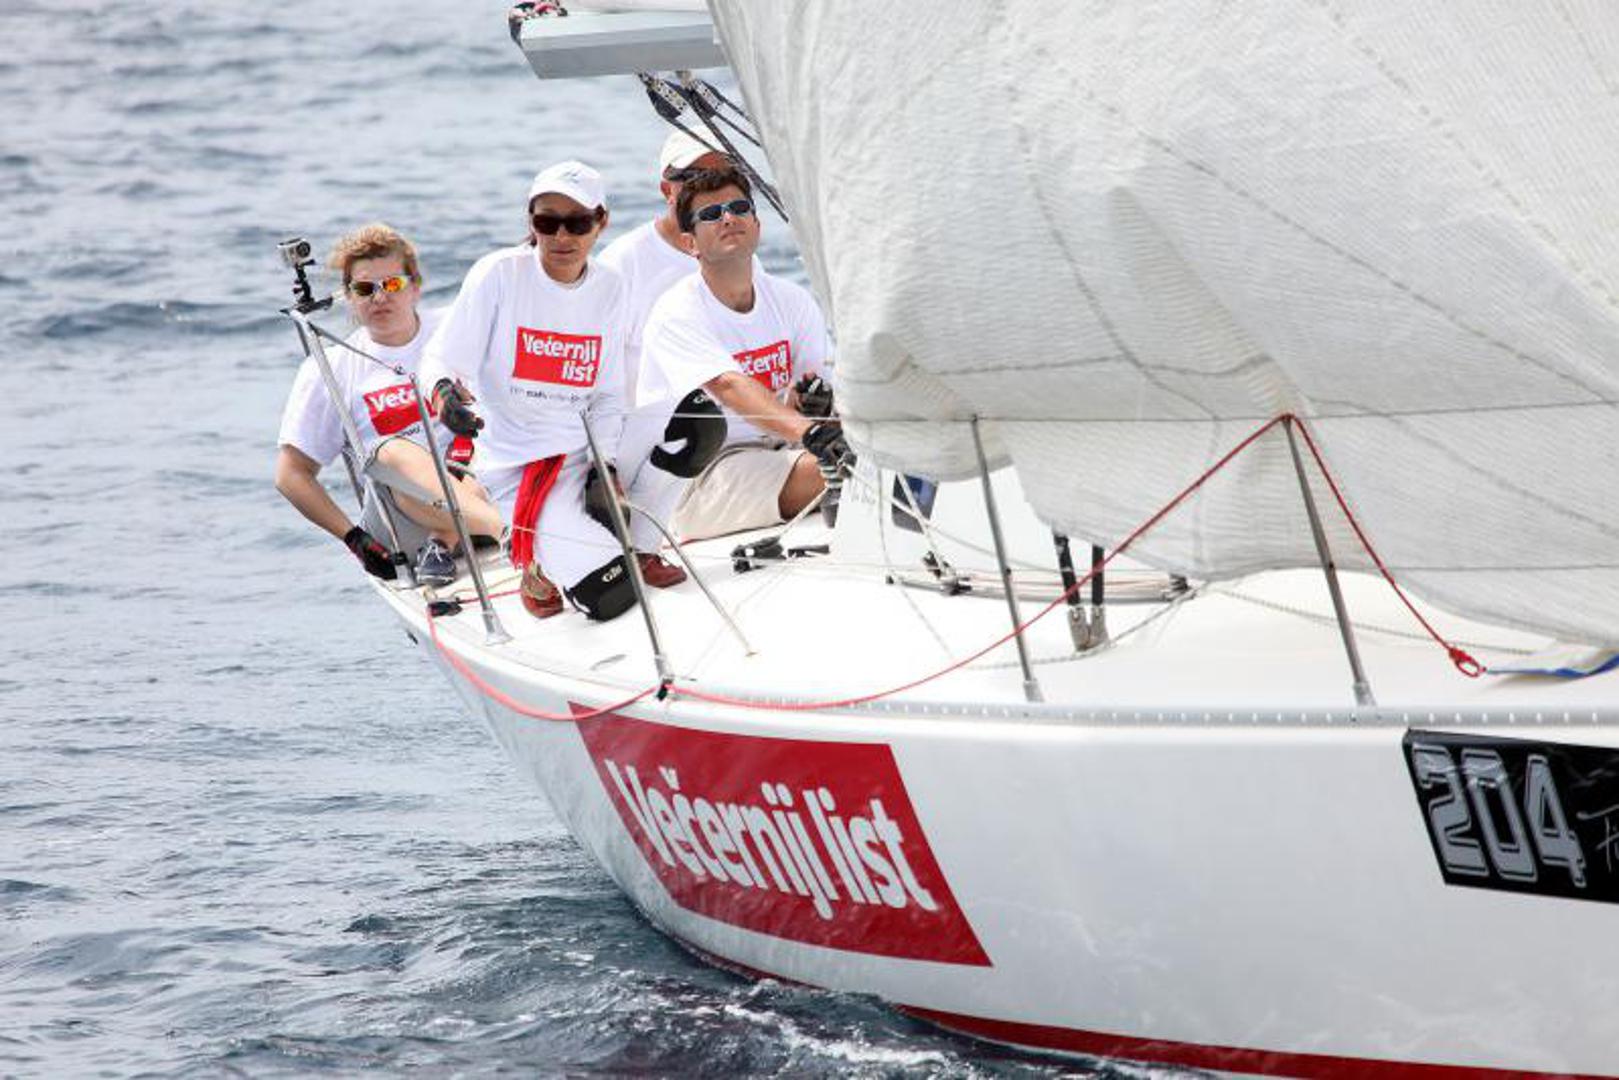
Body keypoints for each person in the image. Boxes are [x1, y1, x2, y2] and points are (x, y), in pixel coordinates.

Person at [418, 160, 683, 621]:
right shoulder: (500, 273)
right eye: (547, 223)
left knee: (695, 420)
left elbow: (607, 392)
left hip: (585, 450)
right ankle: (533, 559)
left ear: (601, 222)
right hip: (521, 469)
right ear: (531, 222)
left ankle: (637, 547)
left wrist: (605, 467)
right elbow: (440, 360)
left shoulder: (610, 285)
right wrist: (444, 394)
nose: (562, 236)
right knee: (612, 596)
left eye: (577, 223)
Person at [275, 224, 503, 587]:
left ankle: (446, 540)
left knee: (484, 439)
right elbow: (291, 475)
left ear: (415, 287)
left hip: (482, 479)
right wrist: (353, 538)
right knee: (391, 453)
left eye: (392, 284)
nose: (379, 297)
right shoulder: (331, 367)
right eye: (365, 289)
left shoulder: (455, 328)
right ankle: (507, 529)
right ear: (349, 297)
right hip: (404, 517)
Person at [638, 167, 850, 542]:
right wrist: (811, 432)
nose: (728, 218)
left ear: (756, 224)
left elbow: (807, 396)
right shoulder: (677, 311)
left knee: (890, 448)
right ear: (690, 243)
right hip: (697, 479)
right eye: (711, 214)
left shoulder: (792, 300)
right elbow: (729, 386)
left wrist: (813, 405)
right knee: (851, 467)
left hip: (781, 450)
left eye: (738, 208)